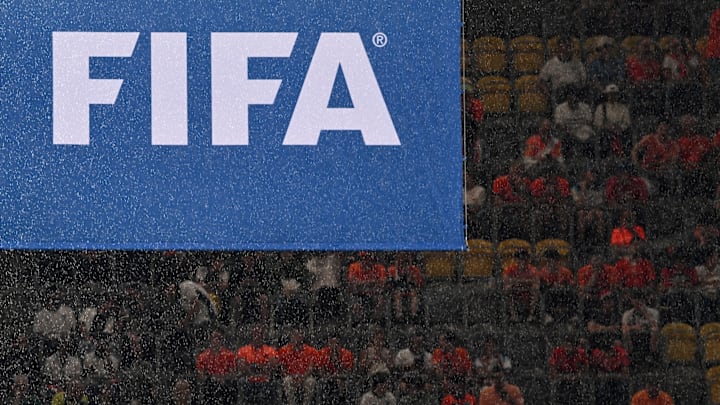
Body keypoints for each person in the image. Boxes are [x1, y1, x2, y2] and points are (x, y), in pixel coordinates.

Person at [236, 325, 278, 404]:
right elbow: (241, 366)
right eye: (255, 334)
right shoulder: (244, 350)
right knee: (243, 383)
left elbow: (273, 365)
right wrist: (260, 367)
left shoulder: (270, 350)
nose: (257, 337)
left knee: (272, 384)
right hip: (248, 380)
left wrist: (253, 367)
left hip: (265, 381)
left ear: (263, 336)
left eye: (259, 334)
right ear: (252, 335)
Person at [195, 329, 237, 404]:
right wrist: (213, 378)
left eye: (219, 338)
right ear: (210, 340)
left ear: (222, 341)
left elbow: (233, 374)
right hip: (210, 386)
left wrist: (222, 378)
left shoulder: (229, 355)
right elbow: (201, 376)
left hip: (225, 385)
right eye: (214, 338)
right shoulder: (203, 357)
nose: (216, 341)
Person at [277, 329, 318, 405]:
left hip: (305, 377)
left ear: (303, 337)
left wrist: (302, 378)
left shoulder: (310, 350)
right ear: (291, 337)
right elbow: (283, 368)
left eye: (299, 335)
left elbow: (311, 368)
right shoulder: (284, 350)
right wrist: (292, 377)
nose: (297, 338)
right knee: (287, 380)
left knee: (310, 382)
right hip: (291, 376)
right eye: (295, 335)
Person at [554, 87, 595, 160]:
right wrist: (570, 131)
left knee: (590, 138)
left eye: (575, 98)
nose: (573, 100)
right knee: (566, 138)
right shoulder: (560, 108)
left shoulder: (585, 107)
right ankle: (568, 161)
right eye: (571, 97)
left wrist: (580, 130)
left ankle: (589, 161)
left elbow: (589, 122)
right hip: (568, 132)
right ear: (567, 98)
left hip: (582, 131)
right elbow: (559, 124)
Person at [622, 291, 660, 370]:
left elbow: (655, 326)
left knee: (655, 330)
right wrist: (634, 327)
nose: (638, 302)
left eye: (640, 300)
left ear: (644, 301)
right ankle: (630, 355)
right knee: (625, 332)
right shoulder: (627, 314)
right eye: (635, 300)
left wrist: (645, 313)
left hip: (648, 335)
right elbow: (624, 328)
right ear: (632, 301)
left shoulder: (653, 312)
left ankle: (652, 355)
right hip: (634, 336)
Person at [347, 252, 388, 323]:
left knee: (380, 301)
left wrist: (363, 284)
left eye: (368, 258)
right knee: (355, 304)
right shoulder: (353, 267)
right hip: (358, 295)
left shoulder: (380, 268)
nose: (366, 261)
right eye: (363, 258)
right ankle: (358, 323)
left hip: (375, 294)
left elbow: (382, 284)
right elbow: (352, 283)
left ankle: (377, 322)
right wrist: (371, 283)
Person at [394, 330, 432, 404]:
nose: (417, 345)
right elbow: (396, 370)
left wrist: (423, 369)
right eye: (416, 342)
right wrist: (410, 366)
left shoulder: (428, 356)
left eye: (420, 343)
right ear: (411, 340)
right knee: (402, 386)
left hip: (422, 382)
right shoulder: (402, 354)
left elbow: (430, 374)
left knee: (429, 387)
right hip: (406, 381)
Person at [594, 84, 632, 158]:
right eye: (610, 94)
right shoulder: (601, 108)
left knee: (628, 134)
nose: (612, 96)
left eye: (614, 94)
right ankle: (605, 155)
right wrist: (608, 127)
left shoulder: (623, 108)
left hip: (620, 132)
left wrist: (620, 128)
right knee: (604, 135)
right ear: (607, 95)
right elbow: (598, 123)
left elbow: (627, 122)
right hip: (606, 131)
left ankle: (625, 155)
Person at [502, 250, 540, 322]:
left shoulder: (533, 270)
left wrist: (517, 281)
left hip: (528, 292)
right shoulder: (510, 269)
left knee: (535, 290)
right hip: (515, 292)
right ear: (516, 260)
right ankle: (513, 314)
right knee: (508, 289)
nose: (523, 262)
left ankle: (531, 314)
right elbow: (506, 281)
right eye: (520, 259)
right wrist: (525, 282)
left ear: (528, 260)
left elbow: (536, 282)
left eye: (525, 259)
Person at [316, 337, 354, 405]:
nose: (334, 346)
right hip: (327, 379)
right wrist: (330, 377)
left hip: (342, 379)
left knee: (345, 384)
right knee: (323, 383)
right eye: (331, 343)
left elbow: (348, 373)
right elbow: (320, 372)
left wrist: (338, 375)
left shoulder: (347, 354)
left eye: (336, 344)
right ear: (328, 344)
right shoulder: (322, 353)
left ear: (340, 345)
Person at [387, 252, 423, 323]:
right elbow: (389, 285)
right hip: (397, 290)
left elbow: (419, 285)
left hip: (410, 290)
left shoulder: (414, 270)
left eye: (406, 261)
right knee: (397, 295)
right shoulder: (392, 270)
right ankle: (398, 317)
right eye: (401, 260)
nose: (403, 263)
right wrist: (395, 277)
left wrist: (411, 278)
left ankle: (413, 316)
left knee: (414, 295)